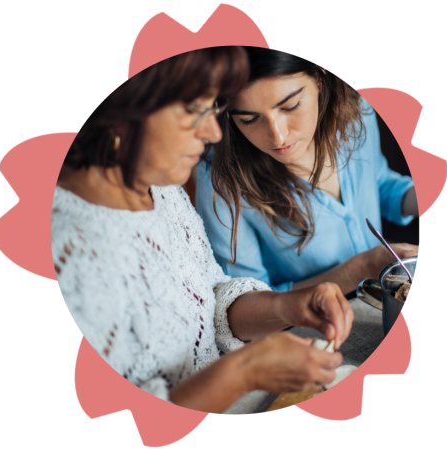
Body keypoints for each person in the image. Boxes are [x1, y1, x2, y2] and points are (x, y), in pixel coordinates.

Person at [52, 47, 353, 414]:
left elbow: (211, 300)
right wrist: (243, 371)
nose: (213, 131)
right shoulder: (64, 249)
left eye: (214, 106)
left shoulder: (161, 188)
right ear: (120, 110)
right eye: (193, 109)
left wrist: (286, 306)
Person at [196, 47, 419, 295]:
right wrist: (360, 269)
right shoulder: (220, 184)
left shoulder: (357, 109)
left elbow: (378, 183)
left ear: (319, 78)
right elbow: (248, 303)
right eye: (249, 119)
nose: (278, 137)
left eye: (290, 106)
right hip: (306, 331)